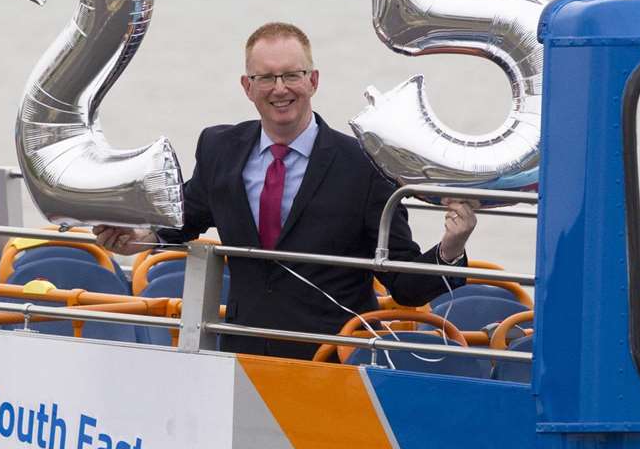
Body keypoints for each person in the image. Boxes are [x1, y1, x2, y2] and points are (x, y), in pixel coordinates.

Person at [97, 21, 477, 360]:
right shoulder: (219, 148)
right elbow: (184, 219)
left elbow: (403, 284)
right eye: (266, 78)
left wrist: (451, 247)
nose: (280, 89)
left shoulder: (366, 166)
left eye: (291, 75)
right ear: (248, 87)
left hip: (333, 362)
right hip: (243, 353)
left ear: (313, 80)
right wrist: (137, 238)